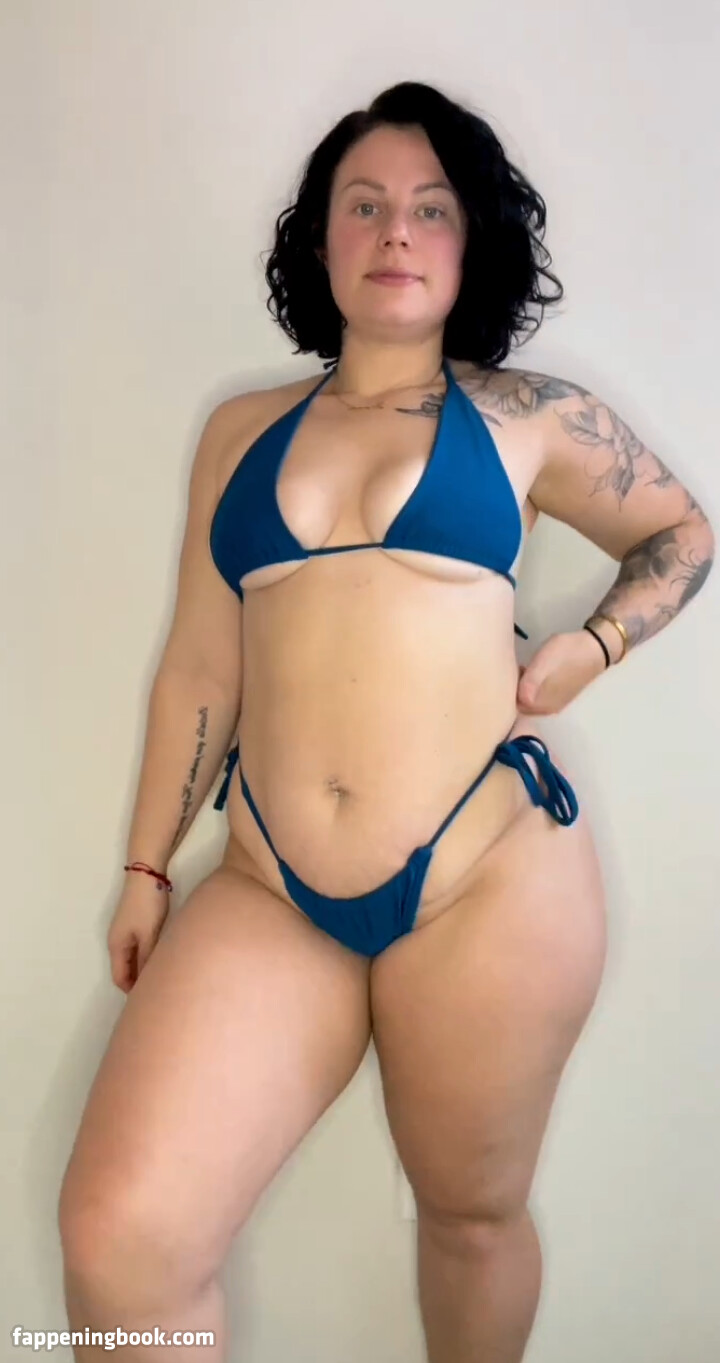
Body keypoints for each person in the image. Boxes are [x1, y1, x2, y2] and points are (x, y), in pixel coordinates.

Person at [58, 81, 714, 1362]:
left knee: (469, 1217)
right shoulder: (239, 433)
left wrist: (593, 645)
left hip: (488, 880)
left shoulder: (531, 417)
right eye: (363, 206)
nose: (396, 230)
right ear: (321, 242)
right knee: (120, 1239)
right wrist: (145, 866)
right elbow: (200, 667)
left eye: (430, 208)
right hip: (270, 885)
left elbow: (683, 532)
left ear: (472, 245)